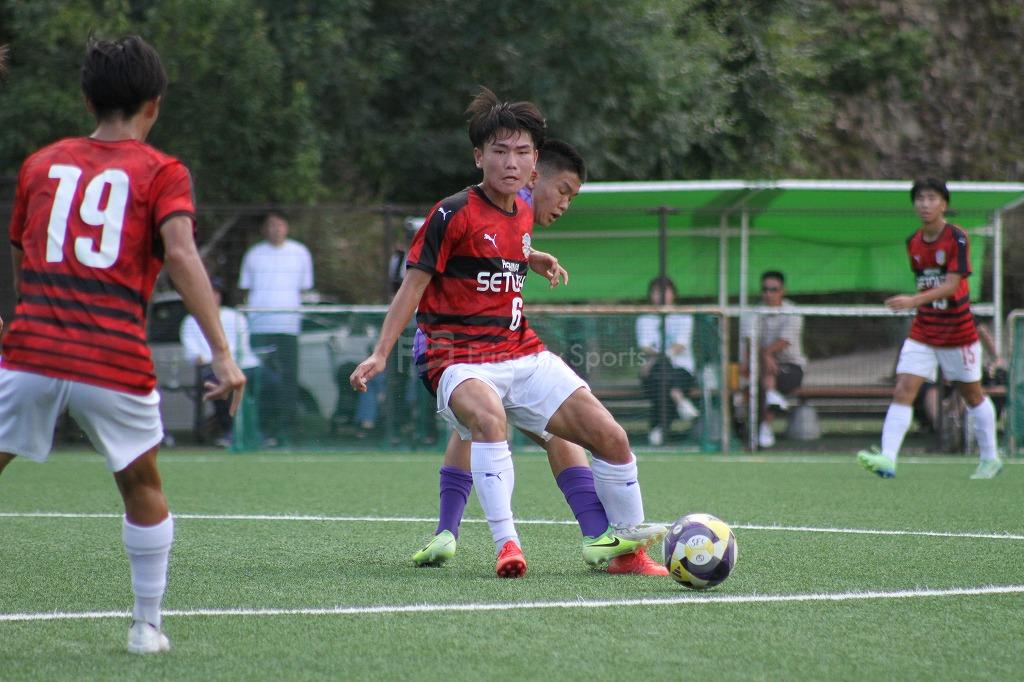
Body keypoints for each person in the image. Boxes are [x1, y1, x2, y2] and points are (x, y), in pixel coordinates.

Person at [351, 88, 665, 578]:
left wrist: (530, 256)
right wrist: (379, 352)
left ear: (534, 162)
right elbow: (412, 287)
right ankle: (506, 545)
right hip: (456, 355)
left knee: (611, 436)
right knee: (487, 419)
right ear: (479, 157)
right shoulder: (450, 213)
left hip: (519, 352)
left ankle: (624, 550)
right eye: (500, 151)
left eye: (521, 152)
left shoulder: (522, 212)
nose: (511, 162)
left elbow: (502, 246)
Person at [0, 36, 245, 655]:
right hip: (111, 356)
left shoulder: (39, 165)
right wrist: (222, 353)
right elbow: (181, 255)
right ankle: (145, 626)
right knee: (141, 486)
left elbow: (22, 252)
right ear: (154, 104)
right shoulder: (163, 171)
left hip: (32, 349)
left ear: (87, 100)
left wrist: (26, 318)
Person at [858, 178, 1003, 479]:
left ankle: (990, 458)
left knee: (972, 395)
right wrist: (919, 303)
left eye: (932, 198)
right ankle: (887, 458)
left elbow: (951, 285)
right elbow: (928, 284)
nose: (925, 204)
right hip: (924, 330)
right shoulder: (913, 241)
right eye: (920, 199)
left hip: (957, 332)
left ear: (944, 204)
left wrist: (913, 300)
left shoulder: (957, 237)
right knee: (903, 388)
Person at [238, 211, 313, 447]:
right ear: (264, 229)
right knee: (261, 380)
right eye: (271, 225)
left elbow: (304, 288)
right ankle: (262, 430)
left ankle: (286, 431)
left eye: (279, 225)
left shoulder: (300, 252)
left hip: (288, 327)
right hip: (259, 327)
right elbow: (246, 289)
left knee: (288, 380)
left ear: (286, 227)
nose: (275, 229)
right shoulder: (254, 254)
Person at [180, 277, 261, 447]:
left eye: (215, 292)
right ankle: (230, 431)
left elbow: (243, 346)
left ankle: (260, 431)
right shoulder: (190, 321)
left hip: (244, 365)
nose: (212, 296)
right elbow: (194, 354)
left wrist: (233, 364)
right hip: (211, 369)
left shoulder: (235, 317)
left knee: (271, 383)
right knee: (220, 385)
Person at [742, 271, 807, 448]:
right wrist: (765, 356)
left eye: (773, 289)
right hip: (761, 368)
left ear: (782, 291)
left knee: (769, 380)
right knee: (763, 384)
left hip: (791, 368)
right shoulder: (753, 313)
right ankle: (764, 426)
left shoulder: (793, 312)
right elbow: (750, 342)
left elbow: (785, 341)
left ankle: (764, 426)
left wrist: (766, 353)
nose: (768, 294)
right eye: (765, 289)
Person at [636, 276, 699, 447]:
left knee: (663, 381)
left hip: (682, 371)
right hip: (653, 373)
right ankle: (679, 399)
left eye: (665, 291)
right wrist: (660, 358)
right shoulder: (644, 319)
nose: (661, 295)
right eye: (656, 292)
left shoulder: (684, 318)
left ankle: (658, 428)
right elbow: (645, 347)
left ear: (673, 294)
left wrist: (659, 357)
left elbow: (680, 345)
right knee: (660, 375)